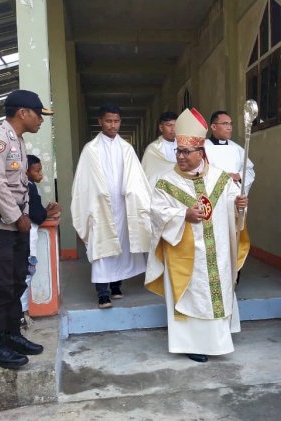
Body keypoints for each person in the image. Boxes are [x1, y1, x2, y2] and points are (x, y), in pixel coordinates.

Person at [145, 108, 249, 363]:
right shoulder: (165, 182)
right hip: (185, 252)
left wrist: (240, 206)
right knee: (192, 294)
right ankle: (191, 344)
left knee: (216, 290)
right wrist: (183, 216)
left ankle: (218, 339)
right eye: (178, 152)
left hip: (217, 249)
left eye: (185, 152)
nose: (180, 157)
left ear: (201, 153)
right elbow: (156, 213)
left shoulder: (222, 179)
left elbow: (234, 212)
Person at [0, 89, 51, 369]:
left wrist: (21, 218)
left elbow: (20, 188)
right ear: (22, 113)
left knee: (16, 283)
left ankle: (12, 335)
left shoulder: (17, 141)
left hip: (14, 226)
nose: (41, 120)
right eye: (39, 115)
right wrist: (18, 217)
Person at [71, 103, 152, 309]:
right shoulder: (90, 150)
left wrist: (134, 193)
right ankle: (102, 293)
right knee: (102, 247)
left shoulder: (127, 148)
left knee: (122, 247)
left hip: (123, 206)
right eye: (108, 121)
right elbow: (83, 182)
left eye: (116, 121)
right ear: (100, 122)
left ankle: (116, 285)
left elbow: (137, 176)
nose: (112, 125)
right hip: (100, 207)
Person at [20, 154, 61, 328]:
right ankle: (23, 314)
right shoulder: (28, 187)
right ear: (26, 172)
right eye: (36, 171)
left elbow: (34, 210)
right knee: (26, 276)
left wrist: (46, 211)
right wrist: (52, 212)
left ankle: (23, 313)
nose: (41, 174)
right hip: (27, 238)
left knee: (26, 275)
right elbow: (35, 215)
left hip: (28, 237)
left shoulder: (29, 186)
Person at [204, 111, 255, 195]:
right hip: (212, 196)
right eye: (225, 124)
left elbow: (249, 170)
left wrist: (239, 176)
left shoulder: (237, 148)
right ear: (213, 127)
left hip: (234, 197)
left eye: (230, 124)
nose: (229, 127)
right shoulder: (203, 147)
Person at [141, 111, 178, 185]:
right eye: (169, 125)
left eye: (175, 125)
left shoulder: (184, 146)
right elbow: (148, 175)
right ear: (161, 128)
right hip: (161, 189)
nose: (173, 129)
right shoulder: (153, 149)